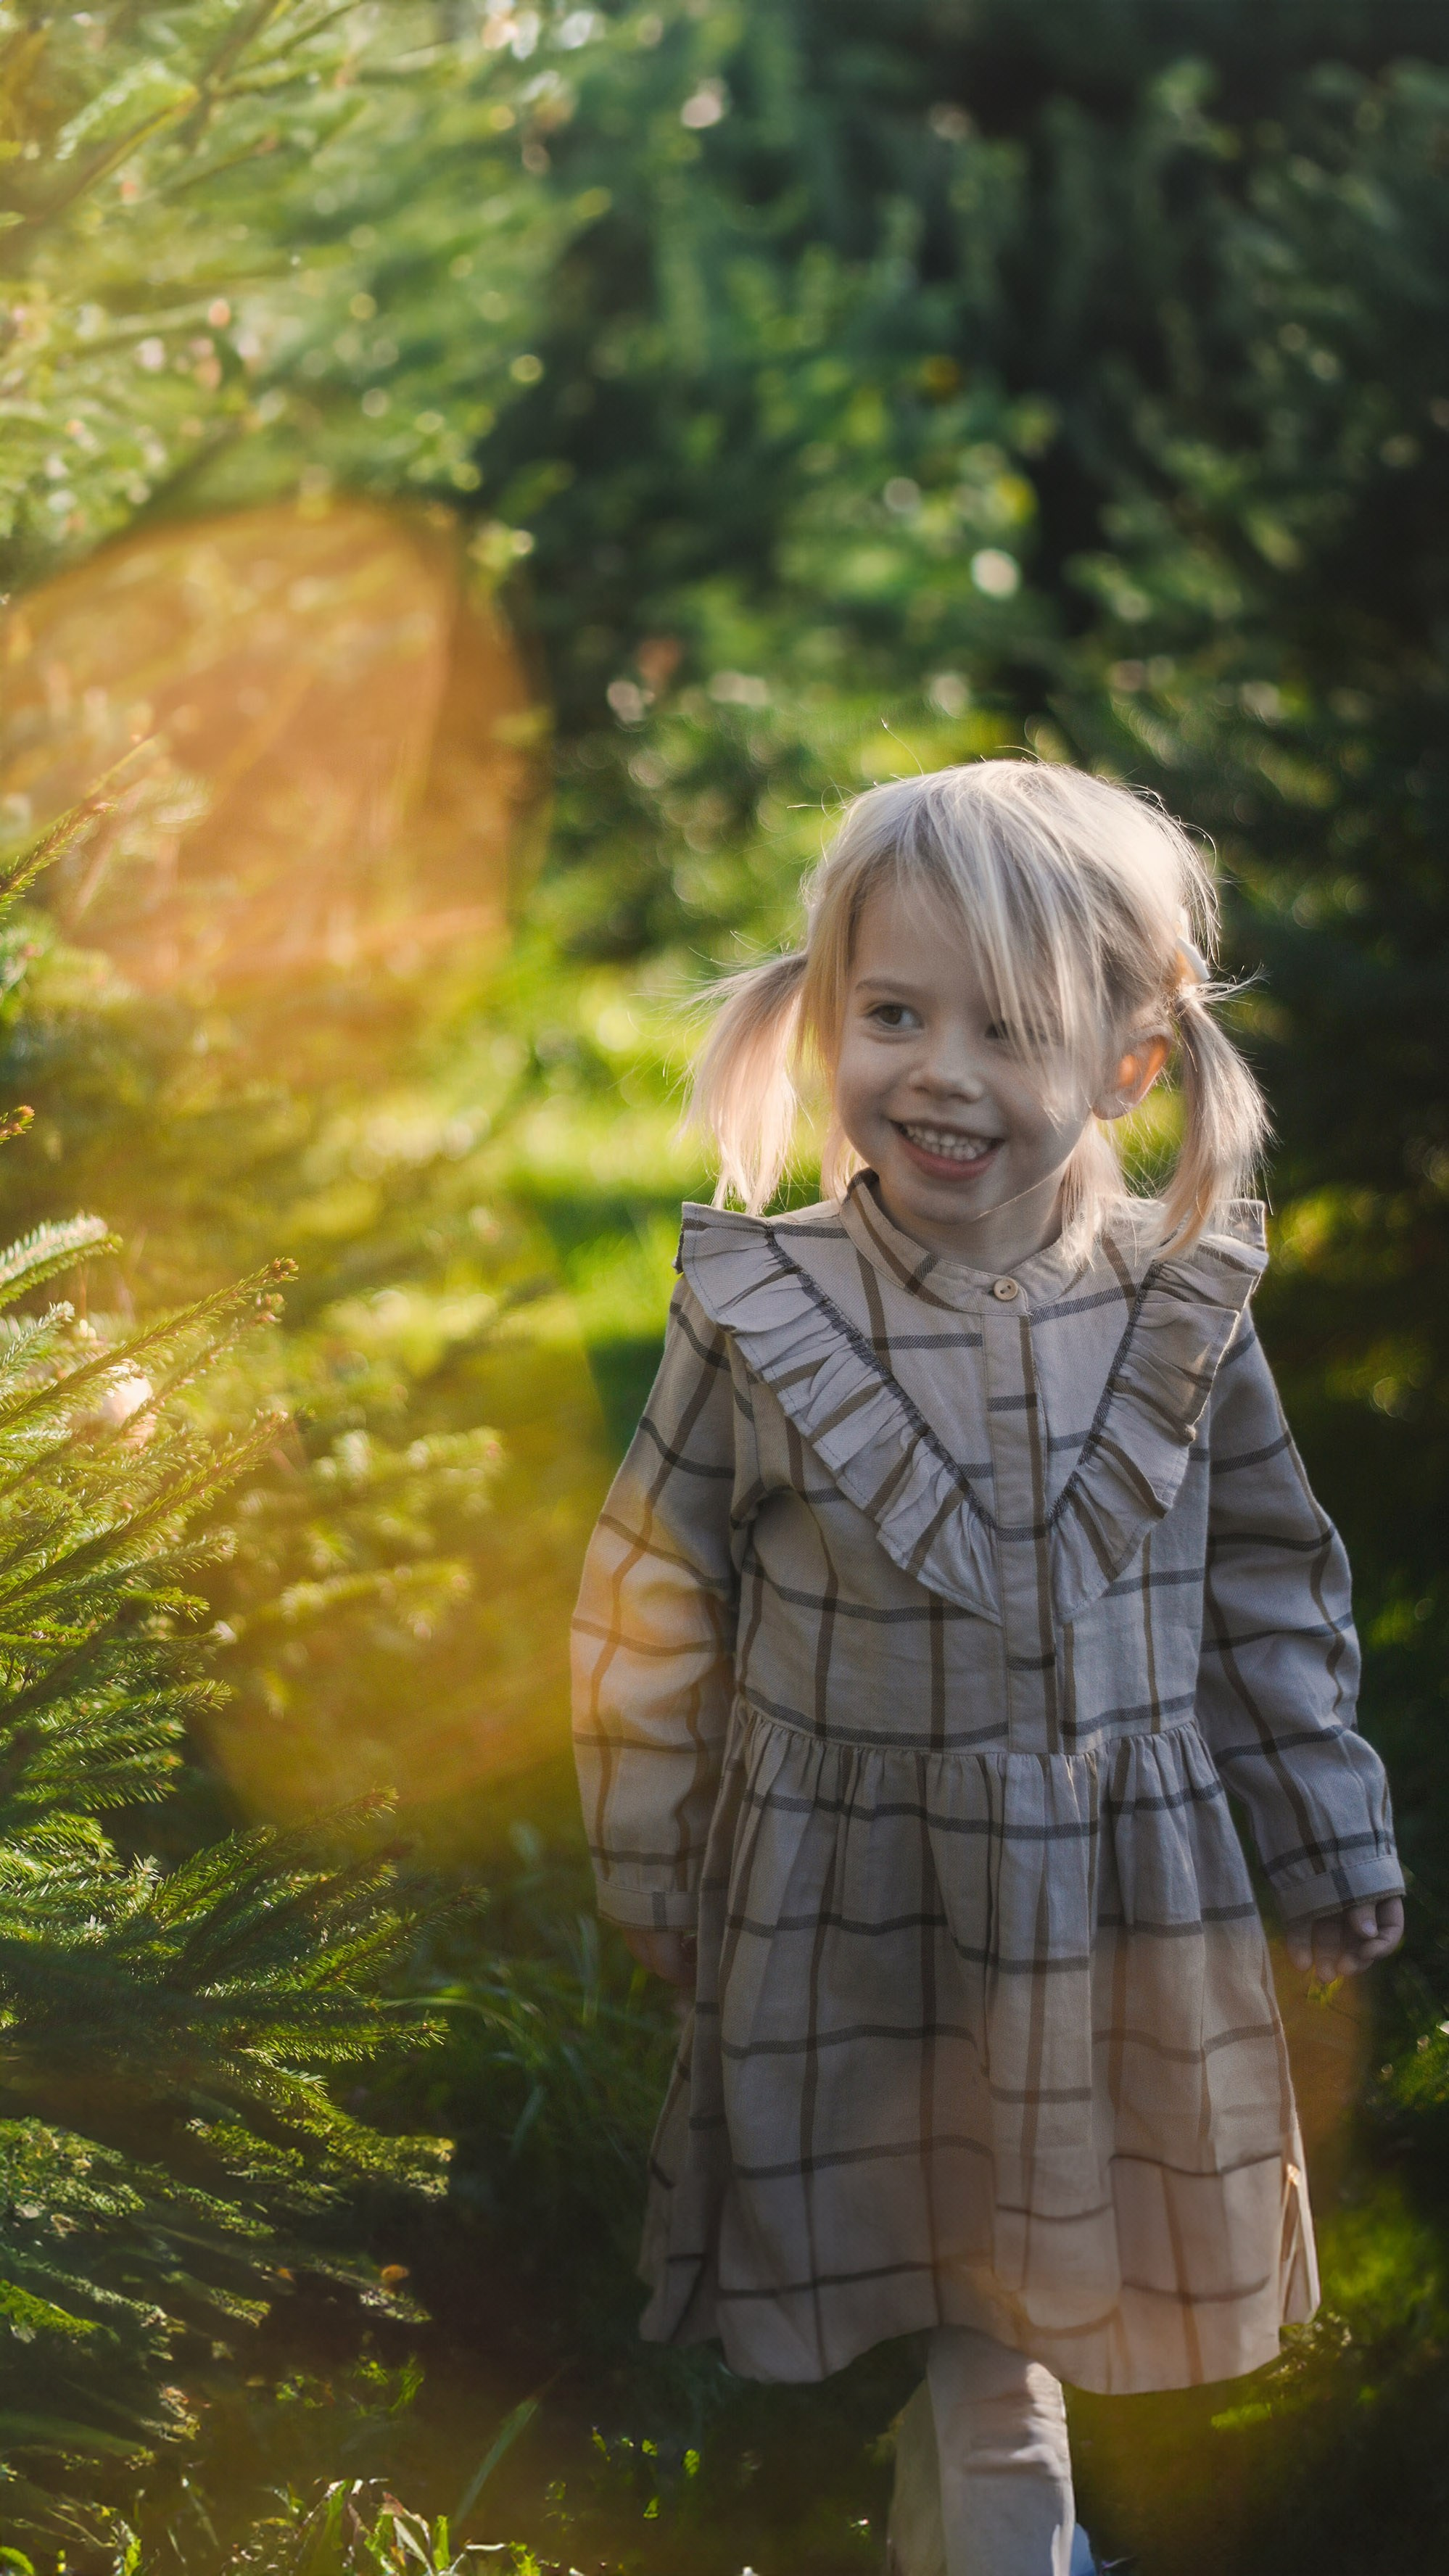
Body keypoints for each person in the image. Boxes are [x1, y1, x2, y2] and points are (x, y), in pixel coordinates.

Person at [571, 759, 1404, 2575]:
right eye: (892, 1013)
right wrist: (652, 1855)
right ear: (824, 1017)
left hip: (1109, 1892)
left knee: (1004, 2288)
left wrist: (1328, 1833)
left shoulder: (1176, 1307)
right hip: (863, 1889)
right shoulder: (766, 1314)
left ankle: (966, 2539)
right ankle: (1012, 2546)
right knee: (977, 2304)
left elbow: (1265, 1585)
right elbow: (652, 1594)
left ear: (1129, 1063)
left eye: (1006, 1028)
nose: (937, 1072)